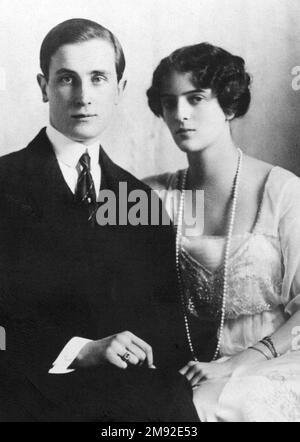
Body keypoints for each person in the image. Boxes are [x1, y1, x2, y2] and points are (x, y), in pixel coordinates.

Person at [0, 19, 216, 422]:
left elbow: (162, 324)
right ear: (43, 86)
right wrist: (79, 350)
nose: (83, 96)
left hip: (126, 398)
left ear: (120, 89)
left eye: (98, 78)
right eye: (67, 79)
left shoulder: (138, 199)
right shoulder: (5, 183)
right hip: (22, 392)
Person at [144, 42, 300, 422]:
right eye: (169, 102)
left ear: (229, 105)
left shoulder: (282, 191)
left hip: (278, 359)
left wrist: (240, 363)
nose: (180, 114)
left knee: (212, 406)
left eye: (196, 98)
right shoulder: (154, 196)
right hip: (194, 366)